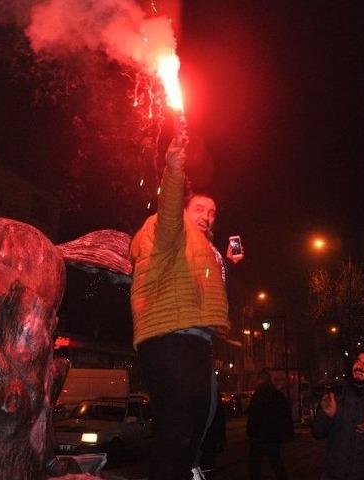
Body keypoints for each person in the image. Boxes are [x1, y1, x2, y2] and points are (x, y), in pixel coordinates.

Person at [130, 136, 242, 480]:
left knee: (202, 418)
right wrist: (175, 169)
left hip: (196, 340)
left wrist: (225, 262)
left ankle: (187, 470)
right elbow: (168, 214)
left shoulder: (202, 248)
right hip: (171, 338)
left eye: (212, 212)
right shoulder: (168, 227)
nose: (207, 216)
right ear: (182, 210)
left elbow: (196, 285)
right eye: (200, 209)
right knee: (177, 426)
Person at [312, 351, 364, 480]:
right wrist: (327, 417)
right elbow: (317, 433)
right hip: (332, 474)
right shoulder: (335, 395)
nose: (360, 366)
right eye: (358, 361)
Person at [247, 369, 292, 480]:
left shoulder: (258, 395)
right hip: (272, 435)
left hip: (258, 436)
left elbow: (253, 415)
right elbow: (285, 414)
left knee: (255, 465)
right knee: (276, 463)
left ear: (261, 380)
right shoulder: (277, 395)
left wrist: (251, 432)